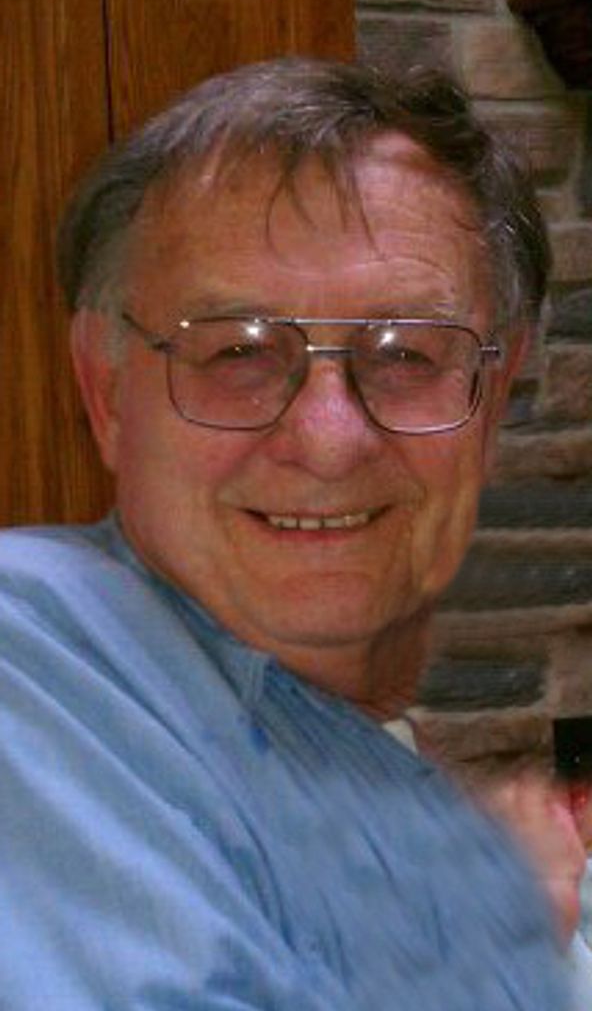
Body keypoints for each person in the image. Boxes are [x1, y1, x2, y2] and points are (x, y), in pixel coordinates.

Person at [0, 57, 572, 1008]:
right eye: (236, 351)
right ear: (107, 391)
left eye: (407, 355)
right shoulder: (33, 661)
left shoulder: (363, 757)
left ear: (493, 394)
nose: (329, 441)